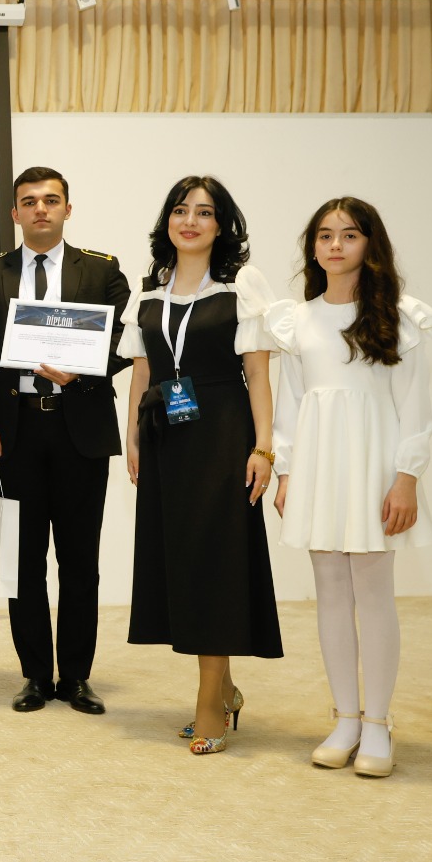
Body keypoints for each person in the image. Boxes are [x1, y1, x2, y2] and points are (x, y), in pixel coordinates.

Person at [268, 197, 432, 778]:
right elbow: (290, 406)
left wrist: (406, 477)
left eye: (348, 234)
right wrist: (287, 471)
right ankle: (345, 718)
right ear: (313, 248)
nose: (335, 245)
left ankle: (378, 723)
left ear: (370, 245)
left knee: (372, 590)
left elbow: (414, 408)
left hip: (375, 467)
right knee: (330, 591)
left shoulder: (400, 316)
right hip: (318, 469)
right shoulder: (297, 320)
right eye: (324, 235)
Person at [122, 174, 283, 756]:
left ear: (222, 226)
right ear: (167, 221)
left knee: (217, 562)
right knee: (184, 562)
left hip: (222, 435)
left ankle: (209, 703)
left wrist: (263, 448)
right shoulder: (149, 294)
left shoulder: (241, 287)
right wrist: (132, 438)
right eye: (180, 210)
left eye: (205, 212)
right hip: (165, 436)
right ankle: (225, 686)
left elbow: (258, 374)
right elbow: (142, 372)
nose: (190, 221)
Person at [0, 167, 131, 715]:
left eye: (51, 200)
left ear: (67, 209)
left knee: (80, 561)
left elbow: (124, 341)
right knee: (24, 561)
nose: (41, 209)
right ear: (15, 213)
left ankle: (77, 676)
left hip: (79, 427)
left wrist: (83, 370)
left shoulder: (102, 270)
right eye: (30, 201)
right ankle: (35, 675)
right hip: (14, 431)